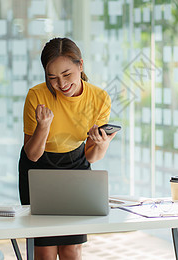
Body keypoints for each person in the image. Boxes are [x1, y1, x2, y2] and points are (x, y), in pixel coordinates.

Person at [18, 37, 117, 260]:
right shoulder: (37, 95)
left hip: (76, 164)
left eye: (67, 75)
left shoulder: (100, 98)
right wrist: (43, 127)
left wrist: (102, 145)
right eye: (52, 77)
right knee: (44, 251)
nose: (61, 84)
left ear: (80, 66)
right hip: (39, 168)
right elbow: (32, 154)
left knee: (71, 249)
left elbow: (91, 156)